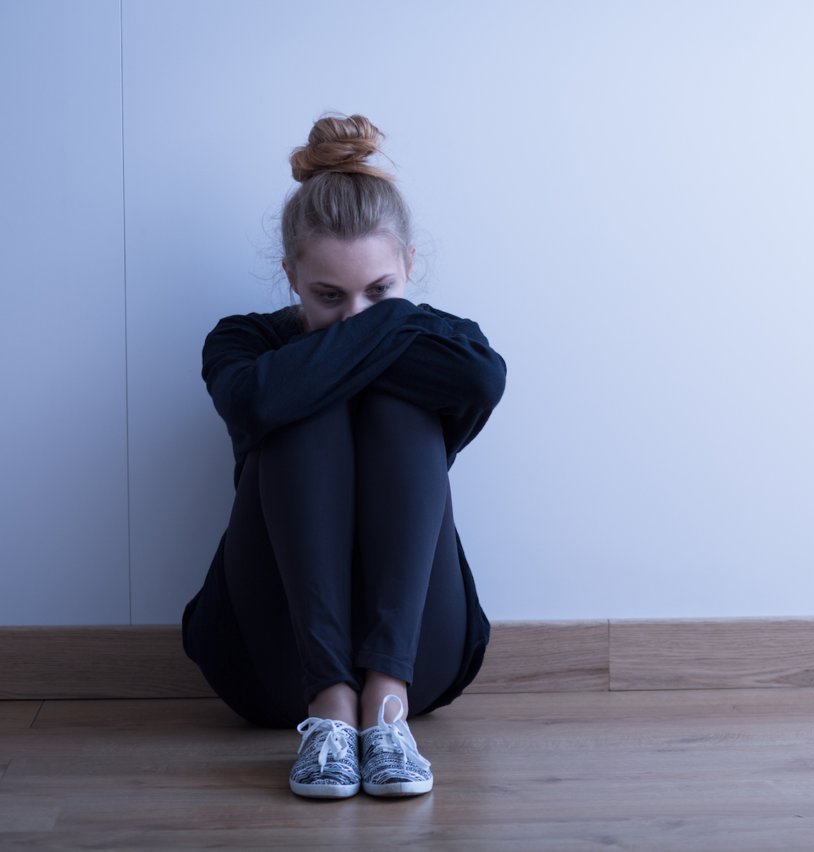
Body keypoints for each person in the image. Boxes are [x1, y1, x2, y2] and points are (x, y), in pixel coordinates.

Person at [181, 113, 506, 800]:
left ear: (409, 266)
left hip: (422, 659)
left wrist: (342, 345)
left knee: (388, 404)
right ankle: (328, 708)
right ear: (291, 275)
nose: (356, 316)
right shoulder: (244, 341)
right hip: (268, 664)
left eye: (380, 294)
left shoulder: (451, 348)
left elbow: (483, 379)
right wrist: (391, 326)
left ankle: (385, 709)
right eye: (329, 296)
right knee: (298, 402)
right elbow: (254, 402)